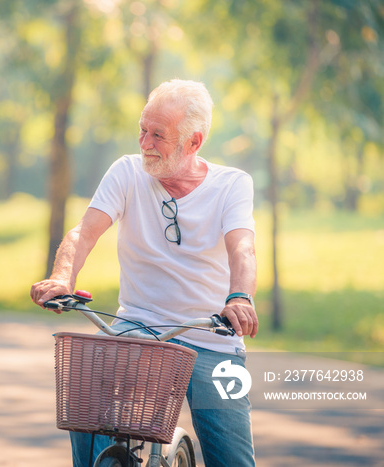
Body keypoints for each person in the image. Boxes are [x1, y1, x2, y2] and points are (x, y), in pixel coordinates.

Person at [30, 79, 258, 467]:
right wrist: (62, 277)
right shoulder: (126, 172)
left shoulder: (232, 184)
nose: (145, 143)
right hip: (137, 327)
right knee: (88, 388)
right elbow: (83, 233)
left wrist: (238, 297)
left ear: (193, 142)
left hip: (211, 334)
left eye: (158, 135)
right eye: (142, 130)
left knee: (232, 459)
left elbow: (242, 248)